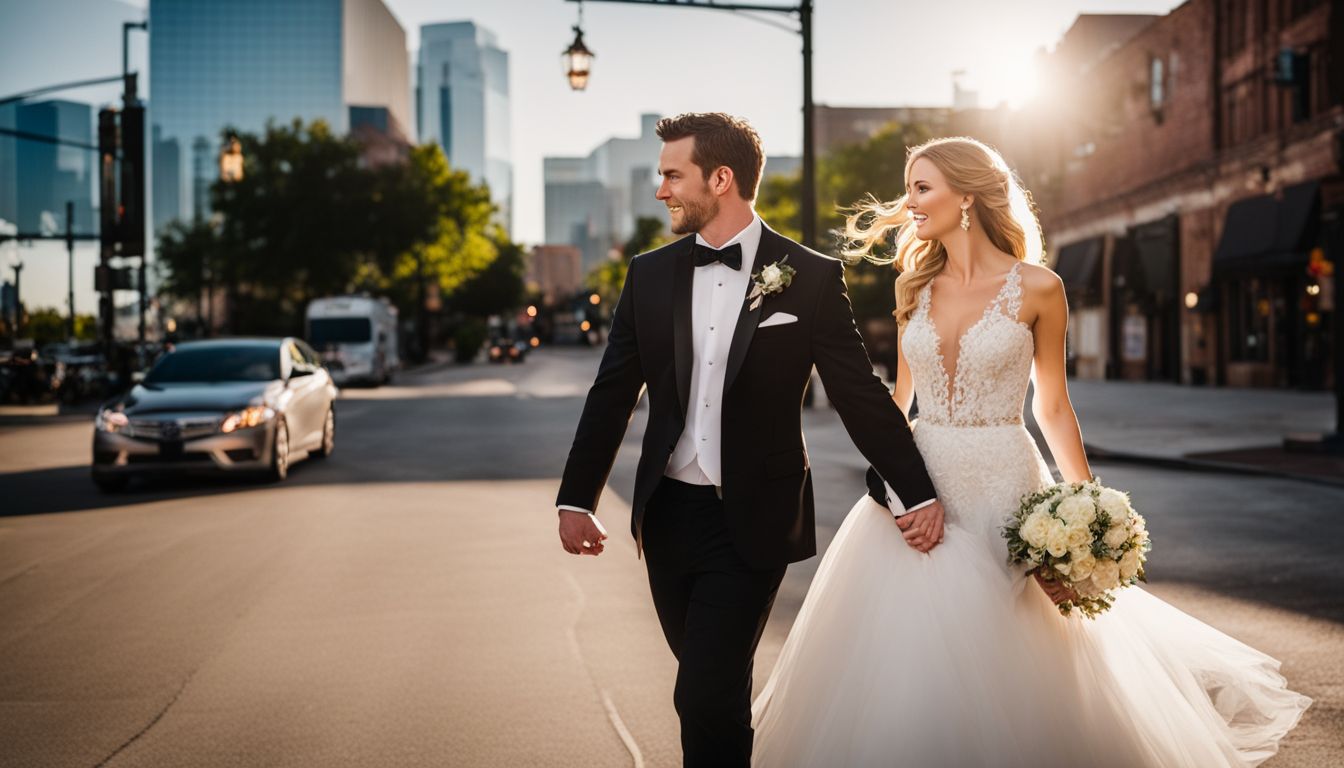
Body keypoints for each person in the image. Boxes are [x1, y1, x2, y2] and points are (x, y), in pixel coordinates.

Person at [749, 136, 1312, 767]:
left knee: (1018, 649)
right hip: (924, 483)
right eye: (909, 188)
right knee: (911, 658)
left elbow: (1051, 408)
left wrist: (1092, 510)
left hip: (1005, 484)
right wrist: (896, 486)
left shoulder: (1040, 288)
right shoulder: (913, 285)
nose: (909, 203)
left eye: (922, 187)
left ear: (967, 195)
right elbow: (898, 409)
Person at [554, 112, 948, 767]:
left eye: (672, 175)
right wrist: (576, 498)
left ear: (723, 178)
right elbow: (612, 392)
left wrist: (917, 491)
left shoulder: (811, 277)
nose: (662, 191)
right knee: (715, 691)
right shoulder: (648, 277)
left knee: (701, 695)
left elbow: (858, 393)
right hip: (668, 517)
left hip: (753, 520)